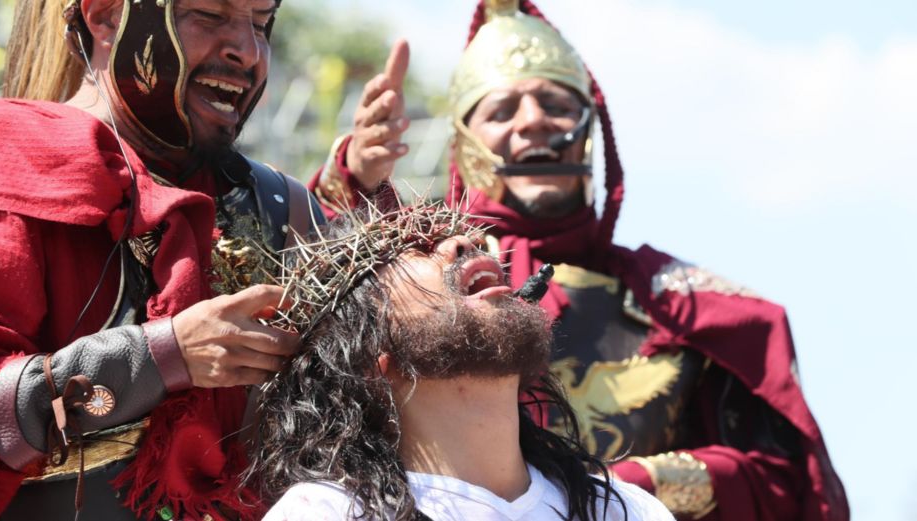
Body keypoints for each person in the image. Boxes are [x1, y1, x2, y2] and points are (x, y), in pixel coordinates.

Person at [309, 1, 849, 520]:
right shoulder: (431, 275)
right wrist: (354, 180)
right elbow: (325, 301)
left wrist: (637, 486)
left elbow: (785, 481)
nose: (535, 121)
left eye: (558, 105)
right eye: (502, 110)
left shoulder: (681, 302)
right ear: (466, 142)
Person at [0, 0, 404, 518]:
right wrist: (163, 357)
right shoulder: (6, 157)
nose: (247, 51)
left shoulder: (277, 204)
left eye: (262, 23)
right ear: (106, 16)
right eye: (208, 14)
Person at [248, 203, 674, 521]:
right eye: (415, 249)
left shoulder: (625, 511)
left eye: (456, 236)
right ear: (368, 354)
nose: (463, 243)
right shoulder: (325, 513)